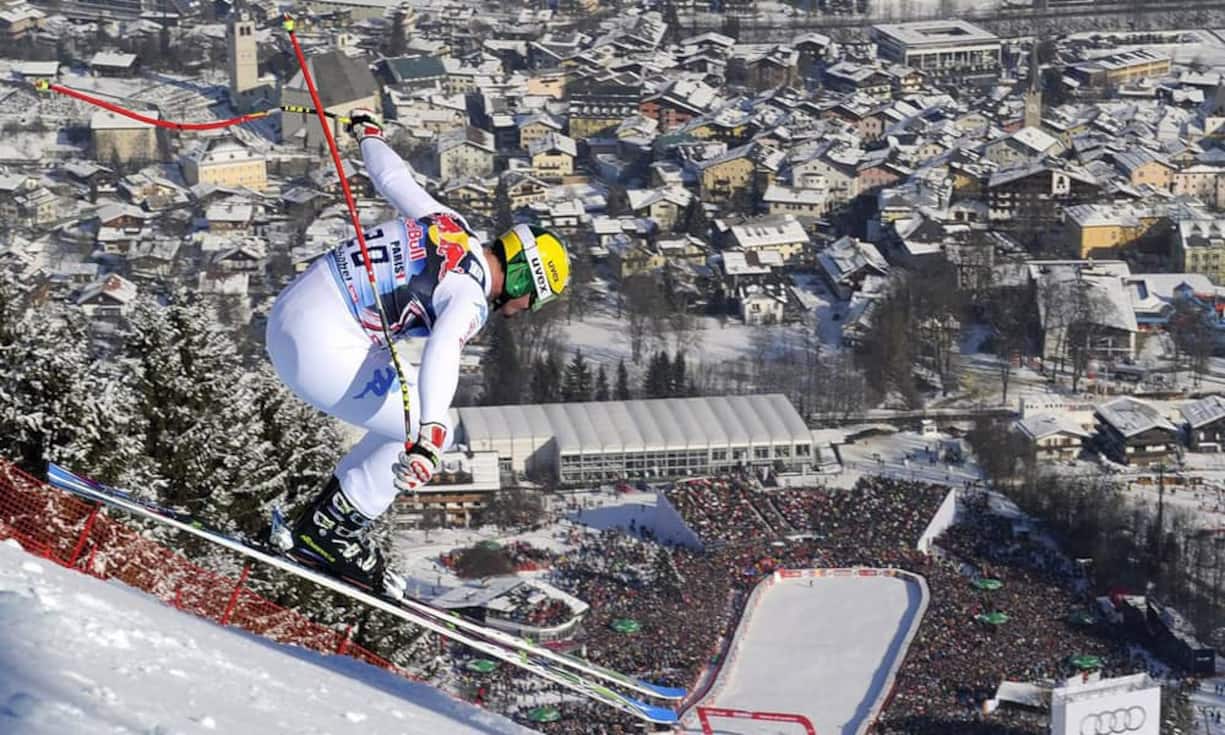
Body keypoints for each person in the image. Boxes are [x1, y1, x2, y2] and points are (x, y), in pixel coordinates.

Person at [265, 109, 571, 593]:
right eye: (531, 299)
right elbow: (444, 348)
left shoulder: (451, 224)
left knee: (408, 409)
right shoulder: (471, 294)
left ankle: (323, 523)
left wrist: (369, 135)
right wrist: (429, 437)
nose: (522, 310)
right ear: (521, 278)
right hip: (319, 348)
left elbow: (391, 177)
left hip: (290, 313)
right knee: (430, 426)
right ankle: (329, 533)